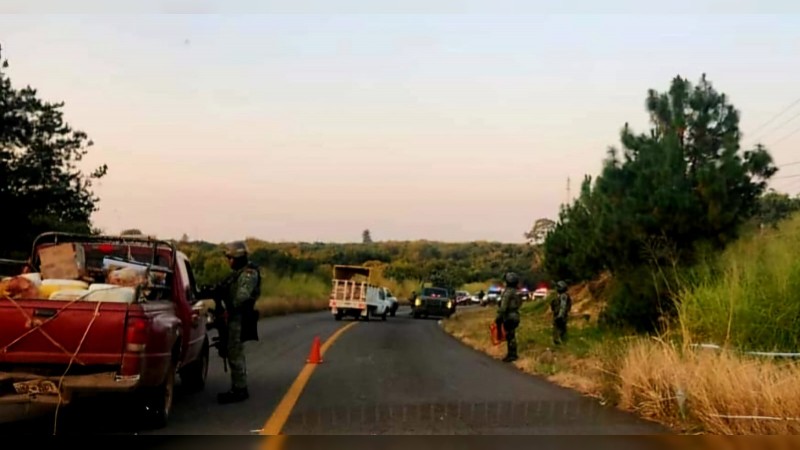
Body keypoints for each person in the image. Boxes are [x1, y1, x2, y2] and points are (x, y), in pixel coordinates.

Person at [216, 240, 261, 404]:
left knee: (235, 352)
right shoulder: (238, 273)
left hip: (239, 317)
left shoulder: (248, 274)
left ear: (238, 258)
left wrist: (229, 305)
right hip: (234, 316)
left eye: (230, 257)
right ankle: (238, 387)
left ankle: (240, 389)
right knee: (231, 350)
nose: (229, 261)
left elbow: (241, 297)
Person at [495, 272, 522, 362]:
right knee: (512, 334)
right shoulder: (517, 292)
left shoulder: (507, 293)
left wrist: (499, 317)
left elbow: (503, 307)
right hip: (516, 315)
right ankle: (512, 354)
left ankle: (512, 355)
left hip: (509, 316)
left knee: (510, 336)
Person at [550, 280, 572, 345]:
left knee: (558, 328)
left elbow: (563, 306)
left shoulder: (563, 296)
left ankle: (558, 342)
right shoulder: (561, 295)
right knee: (562, 329)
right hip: (560, 314)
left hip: (560, 315)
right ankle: (563, 342)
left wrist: (560, 315)